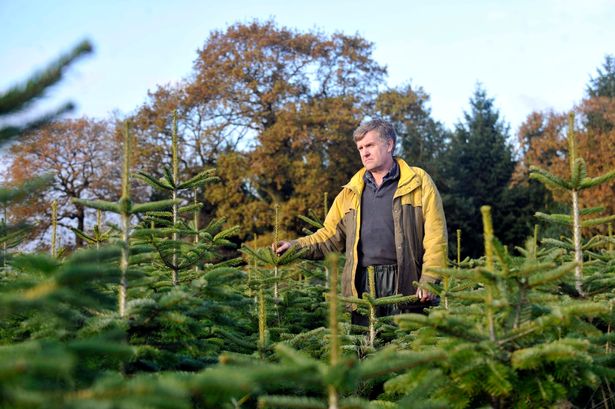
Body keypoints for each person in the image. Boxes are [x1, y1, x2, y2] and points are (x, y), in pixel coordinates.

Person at [274, 119, 447, 323]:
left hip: (406, 283)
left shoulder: (418, 182)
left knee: (403, 351)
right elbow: (328, 236)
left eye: (370, 145)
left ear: (389, 144)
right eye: (360, 148)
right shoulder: (351, 191)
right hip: (362, 285)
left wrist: (429, 279)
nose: (364, 153)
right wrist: (294, 246)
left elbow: (436, 236)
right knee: (366, 351)